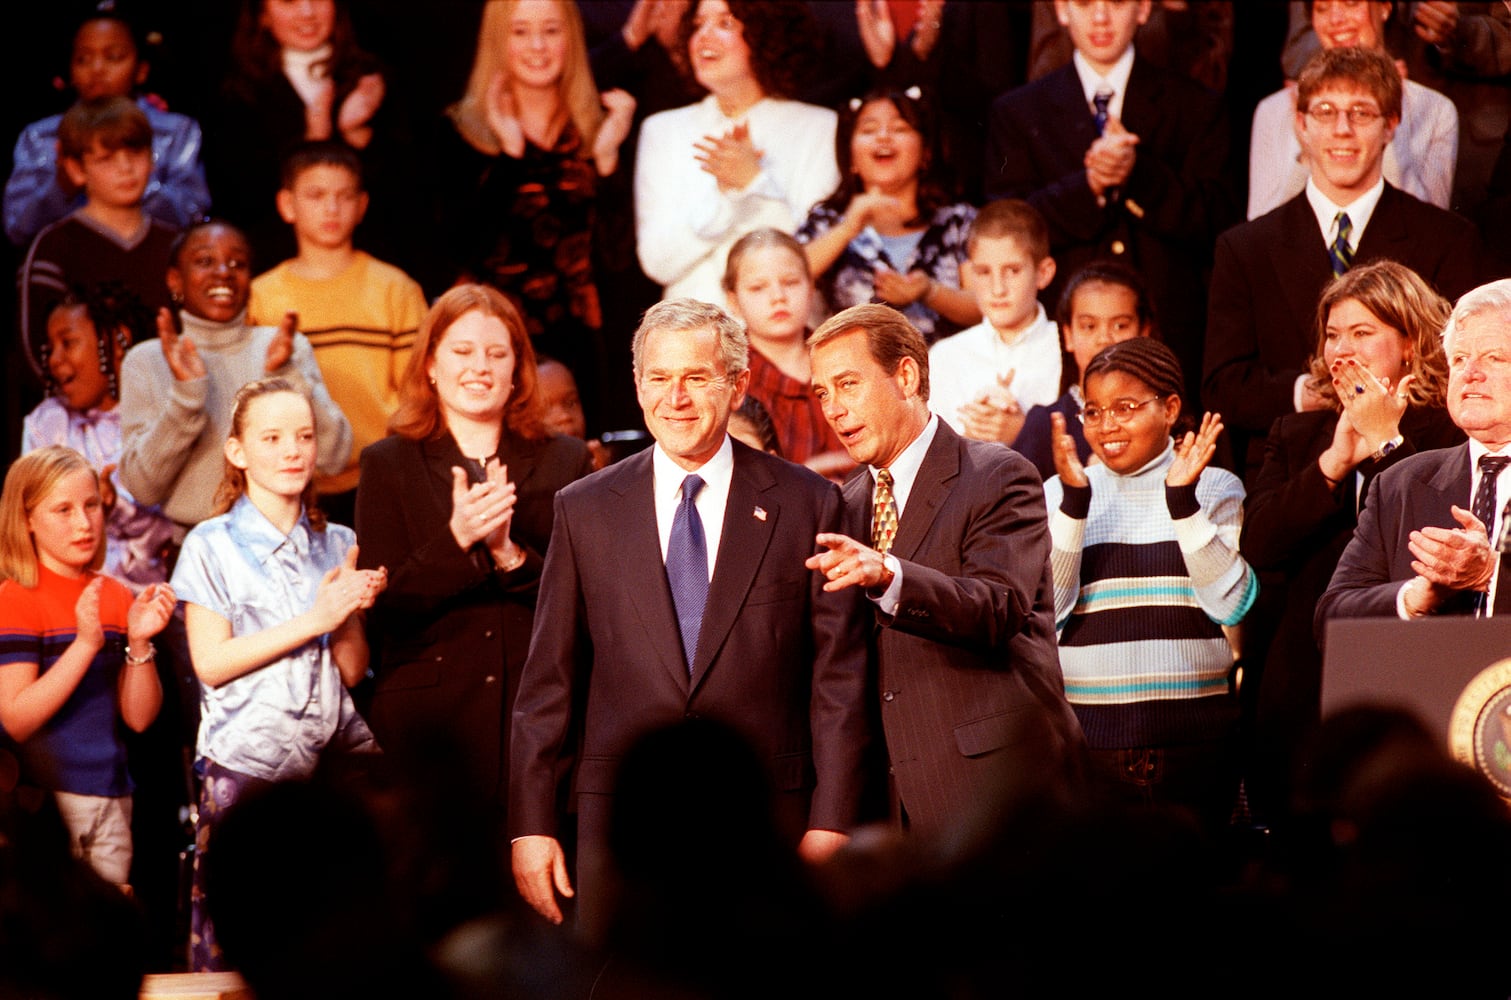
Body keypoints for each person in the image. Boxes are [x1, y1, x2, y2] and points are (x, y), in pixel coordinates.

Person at [509, 298, 869, 939]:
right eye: (658, 377)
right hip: (623, 827)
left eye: (696, 377)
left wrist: (831, 819)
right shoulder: (585, 508)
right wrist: (532, 824)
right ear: (637, 384)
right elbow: (549, 684)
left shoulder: (808, 503)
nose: (675, 397)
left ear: (738, 385)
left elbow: (837, 680)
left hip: (768, 822)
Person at [805, 302, 1082, 844]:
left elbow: (997, 607)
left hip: (998, 790)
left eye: (847, 384)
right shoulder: (844, 504)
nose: (834, 410)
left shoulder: (998, 475)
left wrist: (890, 575)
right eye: (822, 393)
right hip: (891, 805)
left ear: (905, 376)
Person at [171, 377, 386, 970]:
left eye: (304, 436)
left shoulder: (337, 539)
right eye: (272, 437)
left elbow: (351, 669)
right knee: (239, 937)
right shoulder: (210, 544)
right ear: (238, 452)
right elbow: (210, 663)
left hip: (328, 763)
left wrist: (345, 614)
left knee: (328, 939)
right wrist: (315, 615)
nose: (293, 450)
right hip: (249, 764)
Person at [356, 285, 593, 820]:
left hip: (538, 722)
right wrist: (458, 538)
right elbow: (382, 606)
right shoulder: (387, 464)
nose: (479, 367)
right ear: (432, 365)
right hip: (429, 729)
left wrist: (508, 552)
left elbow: (585, 605)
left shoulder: (566, 460)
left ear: (517, 370)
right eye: (462, 352)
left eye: (497, 353)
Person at [1243, 260, 1460, 819]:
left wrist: (1388, 440)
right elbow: (1260, 547)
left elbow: (1435, 539)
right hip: (1302, 678)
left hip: (1411, 668)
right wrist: (1334, 462)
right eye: (1333, 335)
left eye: (1363, 333)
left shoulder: (1449, 432)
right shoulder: (1296, 436)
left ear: (1409, 343)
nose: (1342, 350)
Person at [1204, 45, 1479, 480]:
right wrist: (1307, 393)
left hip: (1410, 468)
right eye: (1326, 112)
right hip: (1287, 479)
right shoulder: (1245, 248)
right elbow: (1223, 384)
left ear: (1391, 125)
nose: (1343, 130)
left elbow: (1458, 366)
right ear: (1301, 124)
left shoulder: (1447, 239)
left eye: (1362, 113)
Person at [1043, 337, 1254, 828]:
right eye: (1092, 412)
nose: (1107, 426)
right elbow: (1048, 611)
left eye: (1125, 407)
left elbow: (1232, 603)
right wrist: (1076, 505)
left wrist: (1182, 502)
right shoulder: (1062, 489)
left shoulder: (1214, 486)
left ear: (1170, 408)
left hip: (1196, 741)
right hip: (1091, 742)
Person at [984, 0, 1235, 401]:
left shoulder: (1197, 105)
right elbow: (1008, 229)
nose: (1100, 18)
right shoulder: (1017, 111)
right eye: (1084, 3)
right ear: (1062, 10)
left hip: (1171, 347)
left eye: (1116, 3)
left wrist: (1139, 175)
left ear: (1142, 9)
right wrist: (1088, 187)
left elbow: (1220, 222)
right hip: (1063, 350)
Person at [441, 0, 636, 397]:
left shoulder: (603, 130)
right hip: (491, 353)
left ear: (572, 39)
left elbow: (620, 263)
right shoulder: (458, 134)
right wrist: (511, 156)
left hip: (588, 360)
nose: (537, 46)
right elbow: (459, 251)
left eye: (551, 30)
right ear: (498, 40)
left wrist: (607, 161)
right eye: (520, 32)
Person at [0, 446, 174, 889]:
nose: (84, 523)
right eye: (63, 510)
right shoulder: (16, 599)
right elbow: (15, 719)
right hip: (46, 804)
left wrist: (138, 641)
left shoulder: (112, 593)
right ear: (27, 520)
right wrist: (84, 644)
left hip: (113, 793)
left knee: (106, 938)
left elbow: (139, 717)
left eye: (92, 505)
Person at [117, 219, 351, 534]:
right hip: (194, 550)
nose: (224, 272)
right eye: (204, 262)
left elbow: (336, 456)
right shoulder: (145, 361)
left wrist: (289, 378)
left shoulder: (283, 348)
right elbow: (142, 487)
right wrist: (186, 397)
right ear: (175, 280)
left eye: (237, 263)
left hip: (285, 543)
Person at [248, 141, 428, 526]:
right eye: (316, 195)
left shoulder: (395, 289)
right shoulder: (261, 295)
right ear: (287, 204)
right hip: (283, 481)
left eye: (344, 196)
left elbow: (419, 395)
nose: (331, 208)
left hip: (379, 479)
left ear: (362, 205)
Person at [1318, 278, 1511, 624]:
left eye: (1493, 358)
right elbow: (1332, 617)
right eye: (1459, 358)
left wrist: (1492, 575)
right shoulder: (1400, 484)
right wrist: (1411, 598)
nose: (1469, 374)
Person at [635, 0, 838, 304]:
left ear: (765, 35)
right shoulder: (663, 129)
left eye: (725, 23)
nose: (704, 36)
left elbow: (811, 256)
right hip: (691, 335)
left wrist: (755, 184)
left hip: (791, 337)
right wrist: (725, 200)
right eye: (697, 25)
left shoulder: (819, 127)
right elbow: (657, 263)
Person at [206, 0, 392, 267]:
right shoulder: (237, 93)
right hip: (276, 265)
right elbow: (239, 200)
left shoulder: (370, 81)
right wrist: (313, 140)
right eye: (289, 1)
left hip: (369, 264)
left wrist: (356, 133)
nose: (307, 12)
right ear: (262, 15)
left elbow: (406, 200)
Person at [4, 9, 210, 248]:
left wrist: (134, 179)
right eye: (83, 58)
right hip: (69, 260)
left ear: (141, 70)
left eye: (113, 57)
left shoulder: (175, 131)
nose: (97, 68)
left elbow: (193, 216)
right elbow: (17, 227)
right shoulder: (41, 136)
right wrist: (61, 187)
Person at [796, 86, 978, 344]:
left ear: (925, 153)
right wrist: (849, 227)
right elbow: (787, 274)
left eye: (899, 128)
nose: (883, 137)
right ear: (851, 158)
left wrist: (930, 291)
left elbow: (985, 306)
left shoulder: (958, 221)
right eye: (869, 130)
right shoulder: (828, 221)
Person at [22, 286, 175, 591]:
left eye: (68, 343)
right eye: (50, 347)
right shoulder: (47, 423)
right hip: (71, 598)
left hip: (158, 598)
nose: (54, 359)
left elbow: (172, 527)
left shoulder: (162, 414)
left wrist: (116, 507)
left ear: (117, 341)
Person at [17, 97, 178, 384]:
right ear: (77, 169)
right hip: (85, 417)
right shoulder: (55, 246)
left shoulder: (176, 243)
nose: (126, 168)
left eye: (135, 153)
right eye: (106, 159)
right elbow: (37, 348)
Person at [1247, 0, 1458, 219]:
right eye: (1322, 8)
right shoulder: (1275, 111)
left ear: (1385, 8)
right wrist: (1307, 153)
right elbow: (1259, 238)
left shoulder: (1436, 110)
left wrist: (1389, 132)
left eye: (1351, 3)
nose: (1335, 19)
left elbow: (1429, 231)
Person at [927, 199, 1059, 446]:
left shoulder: (1065, 348)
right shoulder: (945, 357)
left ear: (1043, 272)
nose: (997, 289)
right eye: (984, 272)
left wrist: (1025, 430)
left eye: (1012, 271)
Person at [1015, 258, 1156, 483]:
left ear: (1144, 331)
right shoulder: (1043, 427)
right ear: (1069, 335)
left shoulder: (1161, 417)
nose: (1104, 339)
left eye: (1120, 325)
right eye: (1089, 326)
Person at [721, 227, 847, 472]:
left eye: (790, 282)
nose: (778, 296)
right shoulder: (729, 381)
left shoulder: (845, 360)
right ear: (733, 301)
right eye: (758, 287)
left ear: (811, 288)